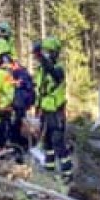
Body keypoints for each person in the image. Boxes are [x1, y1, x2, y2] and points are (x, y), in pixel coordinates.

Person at [33, 36, 71, 182]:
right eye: (45, 51)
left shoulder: (58, 69)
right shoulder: (41, 70)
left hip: (56, 112)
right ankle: (49, 168)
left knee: (58, 142)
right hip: (45, 110)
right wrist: (37, 107)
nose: (46, 54)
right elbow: (40, 89)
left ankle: (67, 173)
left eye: (49, 51)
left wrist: (39, 56)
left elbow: (53, 73)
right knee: (47, 142)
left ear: (55, 53)